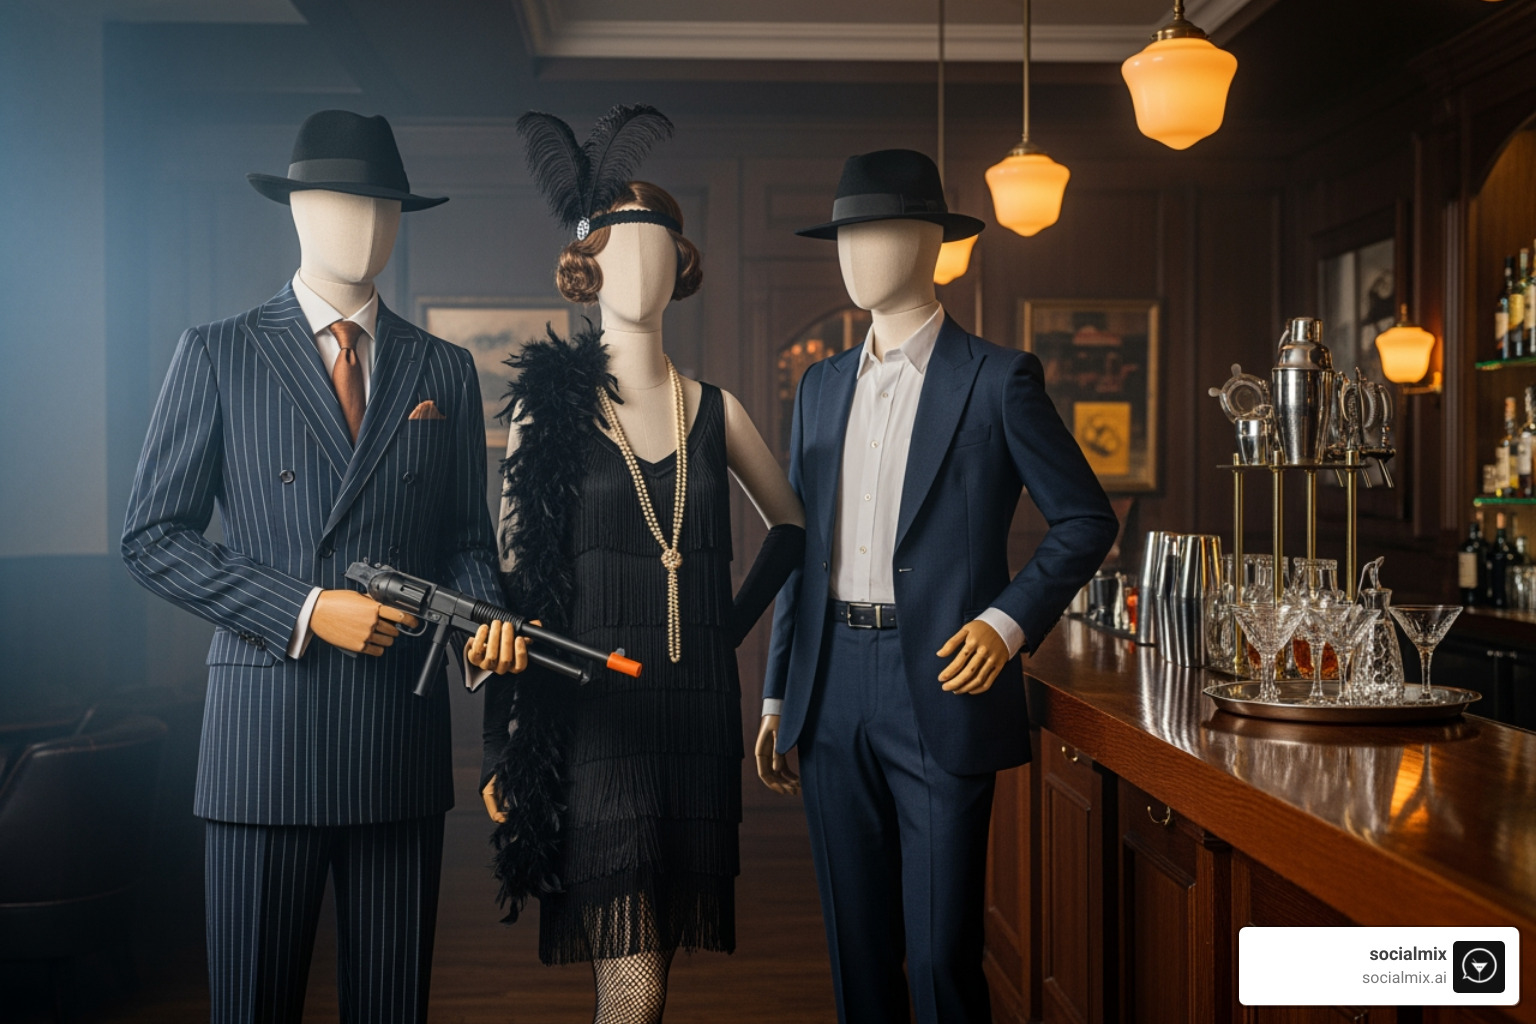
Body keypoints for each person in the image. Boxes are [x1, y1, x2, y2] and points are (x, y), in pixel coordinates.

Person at [120, 110, 508, 1023]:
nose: (368, 225)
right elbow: (152, 538)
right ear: (297, 211)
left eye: (385, 206)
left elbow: (465, 542)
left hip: (396, 746)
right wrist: (302, 607)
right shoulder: (217, 353)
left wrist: (484, 621)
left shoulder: (443, 370)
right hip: (263, 743)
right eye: (344, 203)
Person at [758, 148, 1119, 1024]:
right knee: (858, 952)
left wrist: (1004, 625)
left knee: (943, 957)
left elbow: (1085, 519)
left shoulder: (997, 380)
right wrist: (777, 690)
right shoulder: (819, 387)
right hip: (830, 683)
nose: (852, 253)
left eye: (872, 231)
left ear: (927, 243)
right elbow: (797, 546)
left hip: (944, 683)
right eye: (843, 235)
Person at [470, 106, 805, 1024]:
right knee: (630, 970)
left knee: (653, 955)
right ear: (589, 267)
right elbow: (517, 589)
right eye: (627, 247)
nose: (647, 267)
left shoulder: (717, 410)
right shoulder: (550, 412)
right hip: (596, 716)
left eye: (664, 249)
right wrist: (503, 745)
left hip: (693, 718)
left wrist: (721, 632)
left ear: (681, 270)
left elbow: (791, 530)